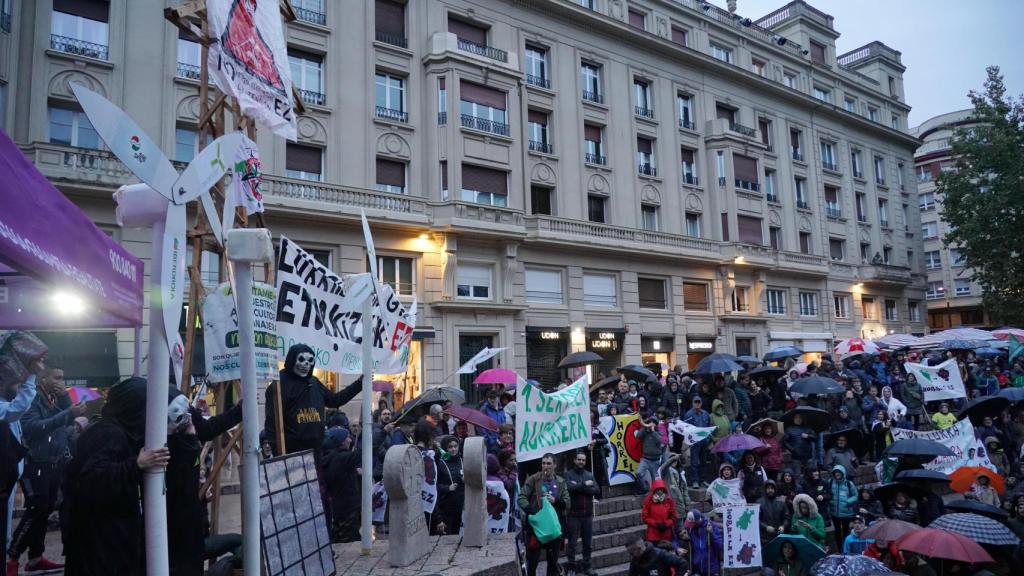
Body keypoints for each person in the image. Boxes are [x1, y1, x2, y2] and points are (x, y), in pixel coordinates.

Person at [62, 377, 170, 576]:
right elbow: (92, 478)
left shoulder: (111, 429)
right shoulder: (110, 433)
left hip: (101, 538)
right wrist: (136, 465)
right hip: (100, 543)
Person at [165, 387, 243, 576]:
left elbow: (207, 429)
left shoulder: (186, 418)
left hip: (192, 522)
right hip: (175, 526)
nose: (190, 421)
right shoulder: (172, 452)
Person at [6, 363, 76, 574]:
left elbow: (63, 423)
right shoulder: (34, 398)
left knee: (44, 510)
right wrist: (67, 414)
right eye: (57, 377)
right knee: (36, 509)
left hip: (54, 462)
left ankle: (36, 557)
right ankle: (12, 557)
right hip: (35, 463)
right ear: (43, 379)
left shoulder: (54, 399)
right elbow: (32, 428)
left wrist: (67, 406)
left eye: (63, 377)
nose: (61, 382)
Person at [263, 344, 363, 459]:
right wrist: (279, 455)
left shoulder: (314, 383)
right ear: (292, 359)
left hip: (316, 451)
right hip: (292, 454)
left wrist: (359, 384)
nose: (306, 364)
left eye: (310, 361)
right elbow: (271, 424)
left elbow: (335, 400)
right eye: (301, 359)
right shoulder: (279, 384)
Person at [1, 357, 40, 567]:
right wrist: (31, 376)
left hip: (9, 479)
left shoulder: (5, 405)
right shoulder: (4, 407)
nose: (18, 386)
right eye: (14, 382)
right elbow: (20, 407)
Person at [518, 453, 569, 576]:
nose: (545, 466)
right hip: (536, 528)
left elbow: (567, 502)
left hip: (553, 528)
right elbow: (521, 497)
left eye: (549, 463)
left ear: (555, 465)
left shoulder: (561, 482)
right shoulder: (534, 479)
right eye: (543, 463)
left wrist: (555, 500)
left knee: (552, 564)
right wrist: (531, 512)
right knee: (533, 563)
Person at [323, 427, 362, 543]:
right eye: (347, 438)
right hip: (348, 507)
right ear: (341, 442)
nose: (350, 440)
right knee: (349, 540)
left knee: (340, 536)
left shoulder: (330, 458)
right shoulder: (343, 458)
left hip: (338, 506)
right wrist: (383, 431)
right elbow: (365, 450)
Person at [565, 451, 600, 576]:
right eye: (579, 459)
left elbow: (597, 490)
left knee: (587, 544)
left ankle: (587, 567)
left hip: (588, 515)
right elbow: (569, 489)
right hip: (574, 515)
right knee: (572, 544)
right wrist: (584, 485)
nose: (581, 462)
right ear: (575, 460)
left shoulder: (589, 474)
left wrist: (579, 488)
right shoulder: (568, 474)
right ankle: (571, 567)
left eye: (583, 460)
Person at [435, 436, 465, 536]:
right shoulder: (440, 463)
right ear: (445, 448)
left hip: (460, 503)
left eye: (455, 446)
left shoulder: (462, 460)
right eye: (450, 447)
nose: (453, 449)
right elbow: (435, 485)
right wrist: (448, 488)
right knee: (448, 534)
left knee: (457, 532)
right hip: (446, 505)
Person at [826, 464, 859, 550]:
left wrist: (848, 501)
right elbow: (827, 493)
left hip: (846, 512)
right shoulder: (830, 482)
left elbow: (855, 495)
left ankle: (846, 548)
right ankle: (839, 548)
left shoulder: (848, 483)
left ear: (842, 473)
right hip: (834, 512)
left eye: (839, 472)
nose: (837, 474)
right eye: (835, 472)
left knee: (845, 530)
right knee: (837, 531)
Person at [684, 509, 721, 576]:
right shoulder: (689, 528)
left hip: (710, 567)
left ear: (698, 521)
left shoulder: (712, 526)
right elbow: (676, 538)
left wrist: (711, 534)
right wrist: (677, 548)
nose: (689, 525)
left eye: (692, 523)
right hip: (696, 568)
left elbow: (718, 546)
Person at [641, 479, 678, 545]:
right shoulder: (648, 500)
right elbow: (645, 517)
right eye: (658, 489)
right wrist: (656, 524)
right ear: (654, 490)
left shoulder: (669, 500)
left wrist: (666, 524)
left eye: (661, 489)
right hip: (653, 535)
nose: (659, 491)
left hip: (666, 534)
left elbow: (674, 516)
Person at [684, 397, 711, 487]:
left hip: (704, 441)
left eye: (699, 402)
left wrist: (708, 438)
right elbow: (686, 428)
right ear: (692, 403)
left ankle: (703, 479)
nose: (697, 404)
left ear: (701, 403)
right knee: (694, 462)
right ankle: (695, 481)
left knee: (703, 461)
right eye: (695, 402)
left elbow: (708, 426)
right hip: (694, 442)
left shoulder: (706, 414)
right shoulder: (688, 414)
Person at [634, 416, 665, 493]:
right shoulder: (645, 431)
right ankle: (644, 488)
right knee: (638, 473)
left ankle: (655, 494)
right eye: (650, 422)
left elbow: (659, 440)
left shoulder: (659, 432)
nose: (651, 424)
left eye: (653, 422)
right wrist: (644, 427)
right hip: (645, 459)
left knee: (655, 480)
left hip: (656, 460)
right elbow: (638, 436)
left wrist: (653, 430)